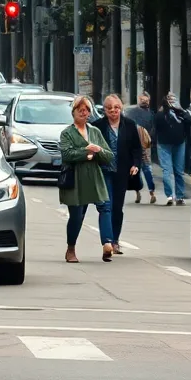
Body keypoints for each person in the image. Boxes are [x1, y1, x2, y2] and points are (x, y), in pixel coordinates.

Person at [58, 95, 115, 263]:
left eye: (86, 110)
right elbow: (67, 154)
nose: (84, 113)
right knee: (76, 215)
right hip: (75, 179)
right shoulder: (67, 133)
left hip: (94, 177)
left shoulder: (94, 132)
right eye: (80, 110)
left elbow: (108, 156)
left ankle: (107, 243)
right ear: (73, 112)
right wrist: (87, 153)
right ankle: (71, 248)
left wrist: (98, 150)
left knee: (104, 206)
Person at [92, 95, 143, 255]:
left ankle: (115, 240)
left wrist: (135, 165)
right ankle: (107, 241)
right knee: (106, 206)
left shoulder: (129, 124)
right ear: (104, 110)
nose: (113, 111)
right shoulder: (97, 126)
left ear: (120, 108)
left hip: (122, 172)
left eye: (116, 107)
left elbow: (137, 148)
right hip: (104, 171)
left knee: (117, 208)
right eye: (109, 108)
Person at [154, 92, 189, 206]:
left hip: (179, 143)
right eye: (170, 100)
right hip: (164, 144)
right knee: (167, 170)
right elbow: (156, 126)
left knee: (178, 171)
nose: (173, 102)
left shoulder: (181, 113)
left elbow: (189, 122)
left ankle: (179, 196)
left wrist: (181, 110)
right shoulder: (161, 114)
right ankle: (170, 195)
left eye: (174, 99)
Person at [124, 92, 157, 204]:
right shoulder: (132, 113)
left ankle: (152, 192)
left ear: (149, 100)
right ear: (139, 99)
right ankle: (138, 191)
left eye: (146, 100)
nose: (144, 102)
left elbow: (154, 128)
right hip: (133, 145)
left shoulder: (151, 114)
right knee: (136, 169)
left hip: (145, 145)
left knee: (147, 169)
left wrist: (150, 140)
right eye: (142, 99)